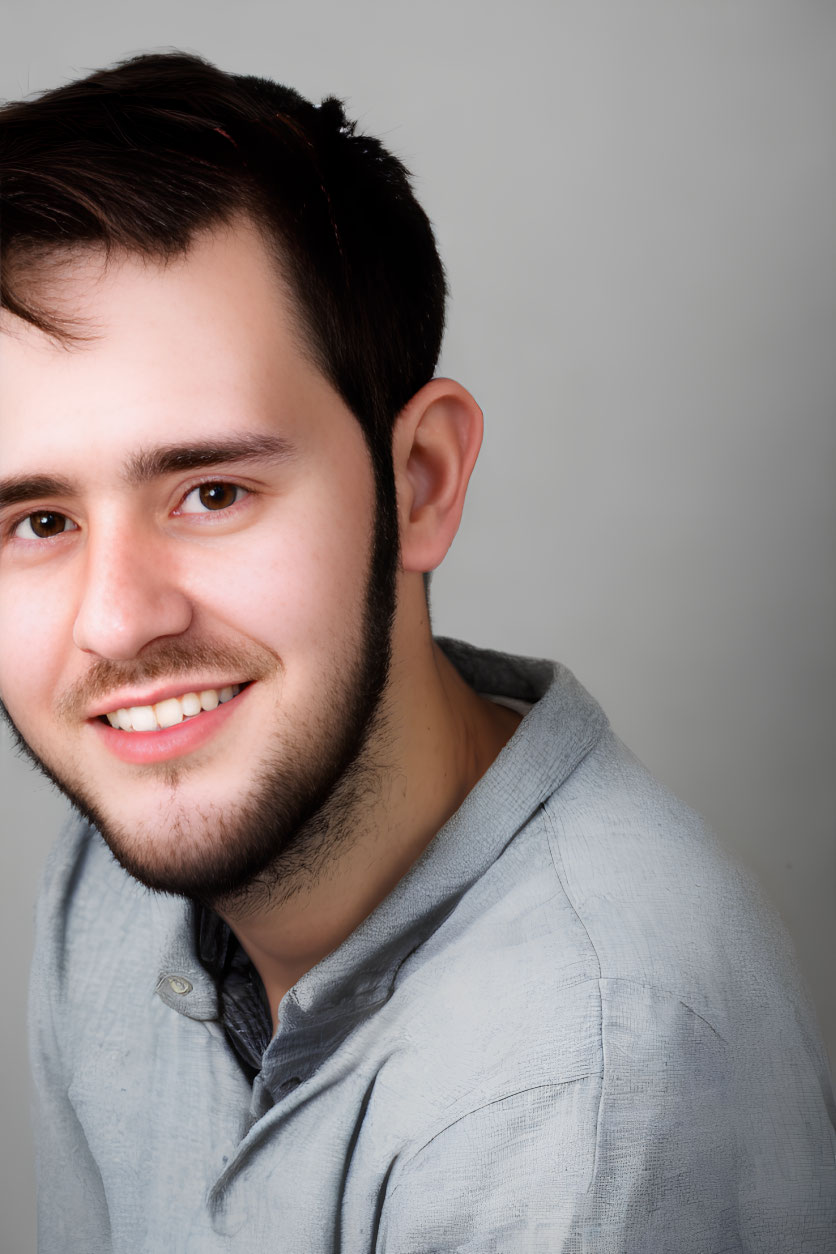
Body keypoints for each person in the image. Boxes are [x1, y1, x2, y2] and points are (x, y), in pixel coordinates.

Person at [0, 50, 833, 1254]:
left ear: (421, 483)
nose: (119, 624)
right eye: (36, 522)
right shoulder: (117, 868)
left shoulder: (572, 1110)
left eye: (213, 492)